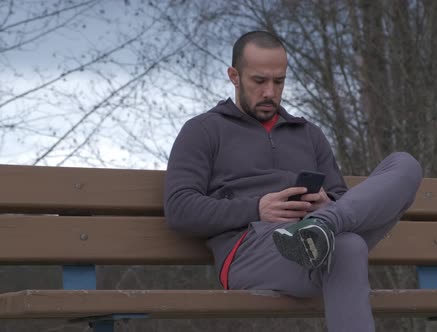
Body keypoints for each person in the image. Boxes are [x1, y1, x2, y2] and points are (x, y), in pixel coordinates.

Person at [164, 30, 423, 332]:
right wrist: (256, 209)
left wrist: (328, 204)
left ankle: (322, 225)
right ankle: (321, 228)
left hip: (321, 240)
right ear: (234, 76)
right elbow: (180, 208)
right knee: (348, 247)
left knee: (405, 165)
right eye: (259, 81)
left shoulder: (308, 134)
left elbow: (342, 196)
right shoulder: (203, 130)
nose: (270, 93)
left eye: (279, 81)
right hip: (250, 250)